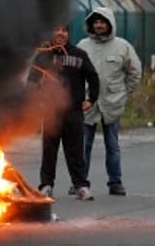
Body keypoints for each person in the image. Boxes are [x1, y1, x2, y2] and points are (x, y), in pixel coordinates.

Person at [29, 25, 99, 201]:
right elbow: (32, 81)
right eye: (56, 29)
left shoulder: (79, 55)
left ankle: (81, 186)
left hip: (74, 112)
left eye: (65, 30)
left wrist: (91, 99)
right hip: (51, 112)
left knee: (75, 151)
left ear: (69, 34)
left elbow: (93, 77)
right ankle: (46, 186)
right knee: (49, 150)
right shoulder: (43, 56)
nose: (60, 33)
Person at [77, 7, 142, 196]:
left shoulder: (122, 46)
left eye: (102, 21)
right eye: (95, 22)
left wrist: (124, 93)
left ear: (110, 23)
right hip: (88, 103)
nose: (99, 25)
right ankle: (80, 182)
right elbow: (74, 74)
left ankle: (115, 182)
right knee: (84, 144)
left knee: (112, 145)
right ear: (91, 24)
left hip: (112, 103)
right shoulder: (83, 45)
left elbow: (135, 72)